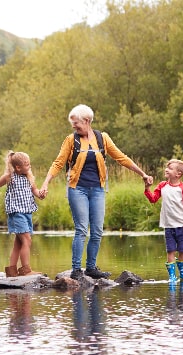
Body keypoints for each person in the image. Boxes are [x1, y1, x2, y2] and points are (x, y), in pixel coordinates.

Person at [38, 104, 151, 280]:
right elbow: (58, 163)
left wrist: (142, 174)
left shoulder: (102, 138)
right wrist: (46, 183)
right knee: (82, 229)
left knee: (97, 230)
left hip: (98, 189)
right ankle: (76, 269)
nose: (74, 126)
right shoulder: (71, 140)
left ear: (87, 121)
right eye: (73, 124)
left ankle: (91, 267)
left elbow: (121, 158)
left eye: (77, 123)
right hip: (77, 189)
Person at [0, 151, 43, 277]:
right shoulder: (9, 177)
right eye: (27, 165)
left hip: (27, 212)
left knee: (19, 242)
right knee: (27, 240)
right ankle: (26, 270)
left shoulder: (29, 176)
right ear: (18, 167)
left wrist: (40, 194)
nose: (30, 166)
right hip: (17, 213)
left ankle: (11, 270)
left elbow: (35, 191)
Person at [144, 158, 183, 282]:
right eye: (167, 167)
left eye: (170, 168)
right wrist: (147, 188)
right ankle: (172, 276)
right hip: (168, 226)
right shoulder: (162, 185)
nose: (166, 169)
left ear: (178, 174)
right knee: (170, 250)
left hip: (182, 226)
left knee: (182, 251)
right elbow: (153, 199)